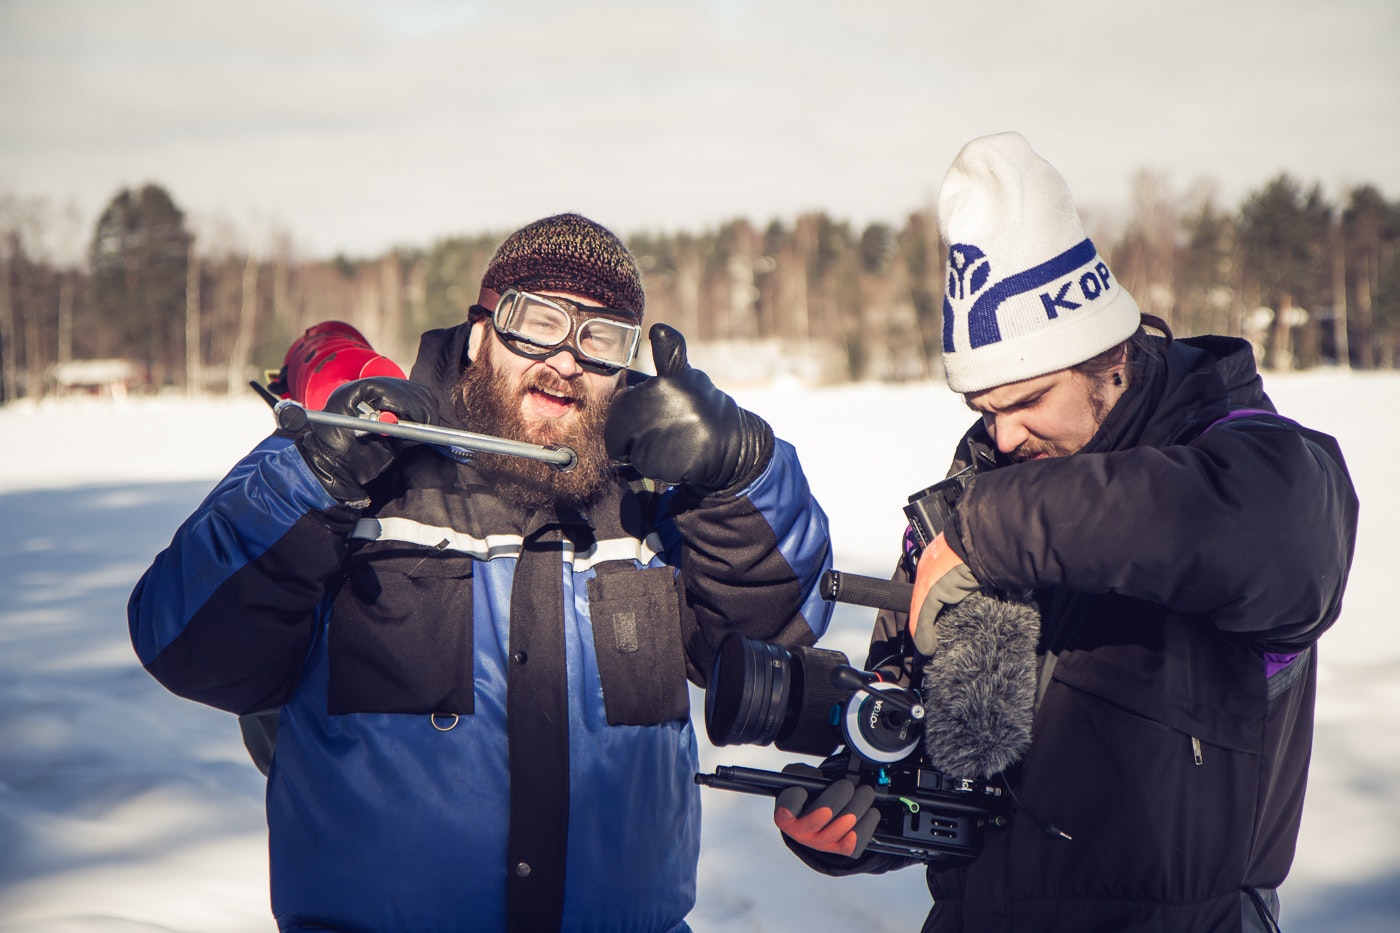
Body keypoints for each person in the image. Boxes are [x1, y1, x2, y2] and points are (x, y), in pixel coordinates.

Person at [128, 212, 835, 933]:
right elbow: (184, 645)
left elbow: (774, 637)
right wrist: (310, 478)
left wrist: (743, 470)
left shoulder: (653, 506)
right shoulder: (364, 471)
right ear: (480, 332)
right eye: (538, 322)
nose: (567, 358)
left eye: (600, 338)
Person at [772, 133, 1358, 932]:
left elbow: (1283, 544)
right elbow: (920, 731)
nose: (1004, 435)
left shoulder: (1236, 451)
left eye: (1028, 400)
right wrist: (864, 816)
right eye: (984, 409)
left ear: (1108, 356)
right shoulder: (977, 495)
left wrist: (990, 530)